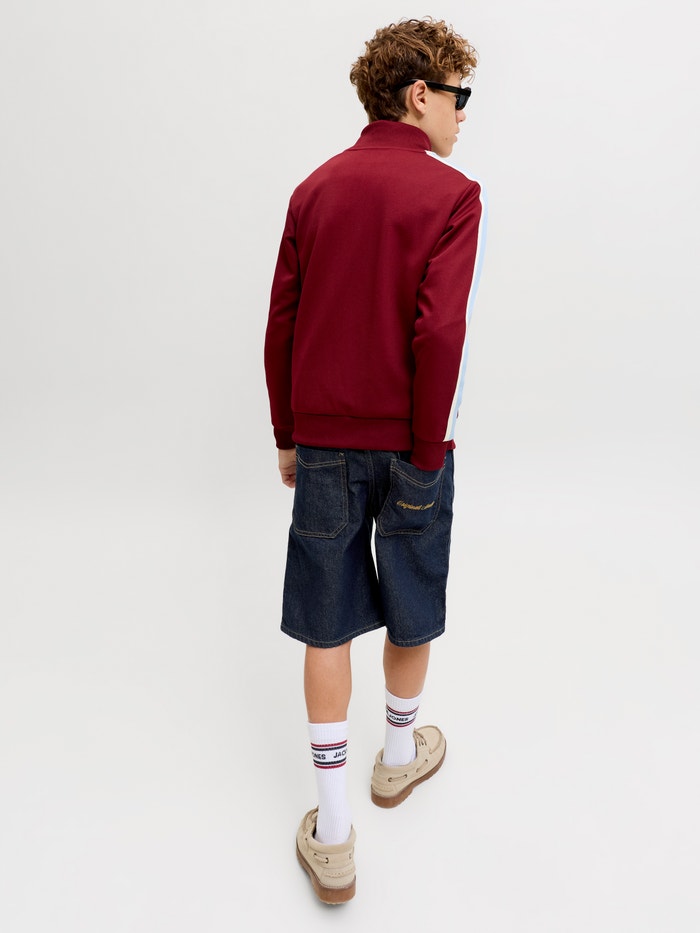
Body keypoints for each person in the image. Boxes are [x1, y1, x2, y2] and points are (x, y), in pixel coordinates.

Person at [264, 16, 486, 904]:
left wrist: (288, 433)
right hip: (413, 440)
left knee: (326, 624)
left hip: (324, 441)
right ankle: (397, 757)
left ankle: (333, 831)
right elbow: (441, 332)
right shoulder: (454, 195)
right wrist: (427, 449)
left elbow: (282, 323)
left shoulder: (313, 190)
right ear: (419, 94)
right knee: (411, 596)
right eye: (459, 96)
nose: (465, 113)